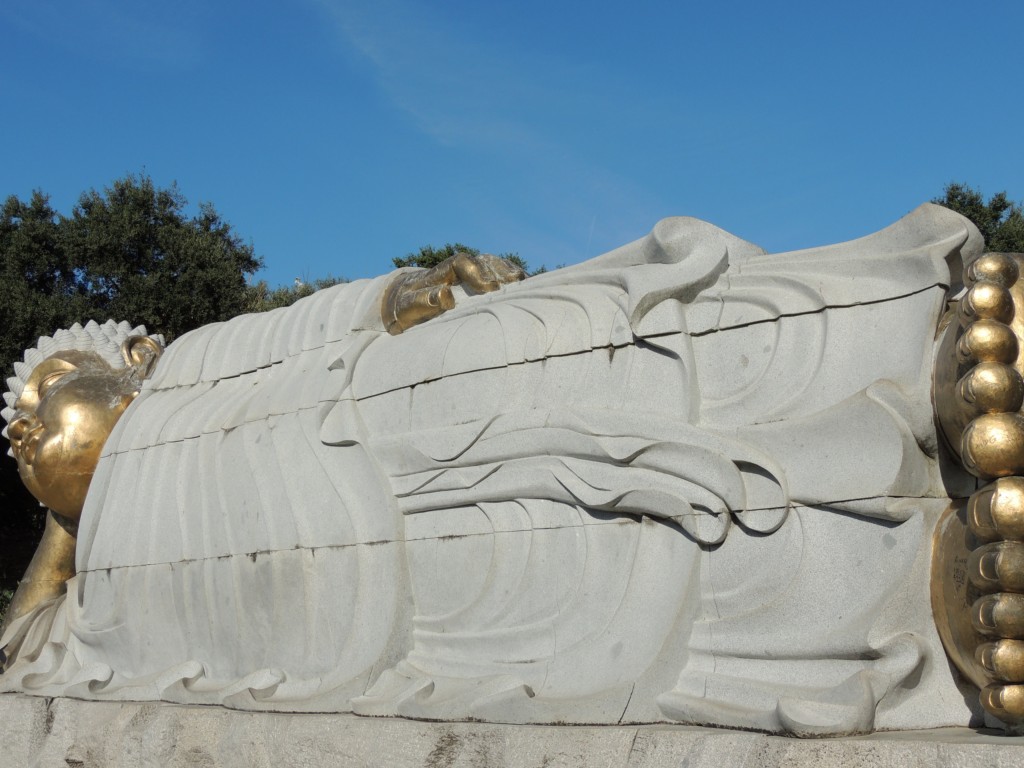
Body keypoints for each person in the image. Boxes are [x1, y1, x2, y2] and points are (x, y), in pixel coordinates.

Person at [1, 205, 1017, 734]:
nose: (33, 436)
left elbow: (316, 321)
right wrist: (68, 534)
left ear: (126, 363)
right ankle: (929, 602)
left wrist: (397, 299)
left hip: (369, 391)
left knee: (577, 351)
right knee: (559, 577)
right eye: (22, 443)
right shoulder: (95, 602)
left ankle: (912, 352)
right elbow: (21, 650)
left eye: (45, 396)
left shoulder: (199, 361)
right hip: (298, 579)